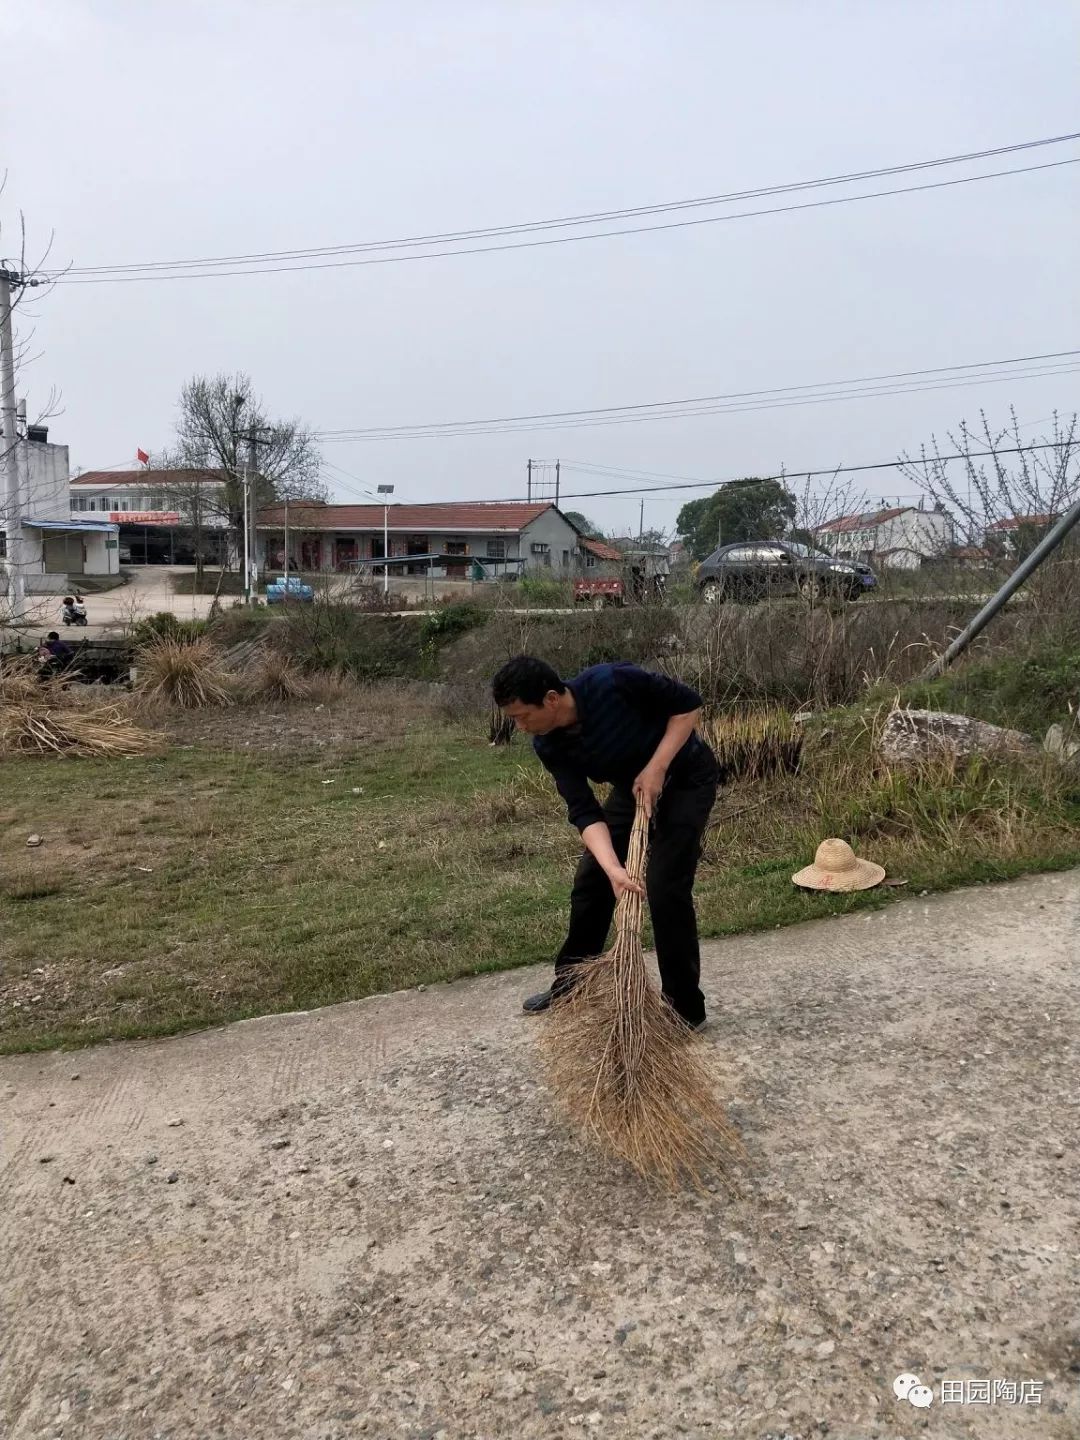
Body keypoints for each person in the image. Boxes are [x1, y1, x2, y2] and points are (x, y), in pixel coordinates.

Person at [491, 654, 719, 1030]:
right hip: (632, 789)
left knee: (665, 887)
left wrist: (656, 767)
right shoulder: (549, 744)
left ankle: (685, 1008)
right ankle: (572, 984)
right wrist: (613, 869)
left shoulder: (613, 683)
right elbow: (583, 810)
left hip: (685, 777)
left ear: (550, 699)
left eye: (522, 716)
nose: (520, 726)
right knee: (591, 882)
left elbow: (687, 705)